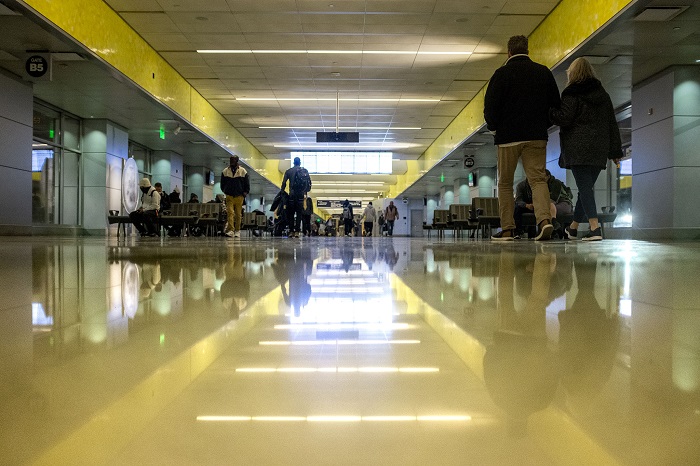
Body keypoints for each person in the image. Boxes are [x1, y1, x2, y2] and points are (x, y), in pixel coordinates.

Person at [484, 35, 561, 241]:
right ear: (527, 51)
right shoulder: (542, 72)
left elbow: (489, 107)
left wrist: (495, 129)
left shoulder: (500, 74)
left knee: (505, 183)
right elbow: (556, 104)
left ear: (508, 53)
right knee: (538, 180)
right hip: (535, 136)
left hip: (508, 138)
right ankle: (544, 221)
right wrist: (543, 125)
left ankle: (508, 229)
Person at [549, 57, 622, 241]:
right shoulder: (603, 95)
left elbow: (564, 118)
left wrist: (549, 112)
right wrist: (615, 151)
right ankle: (573, 228)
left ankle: (594, 228)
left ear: (572, 73)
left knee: (586, 189)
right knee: (585, 189)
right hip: (599, 149)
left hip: (578, 148)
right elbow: (612, 123)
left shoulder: (572, 93)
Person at [514, 170, 573, 238]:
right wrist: (526, 205)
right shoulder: (522, 185)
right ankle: (518, 232)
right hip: (532, 205)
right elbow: (518, 200)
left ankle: (551, 228)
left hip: (548, 205)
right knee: (517, 208)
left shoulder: (553, 183)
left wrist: (538, 204)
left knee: (549, 208)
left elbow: (553, 199)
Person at [281, 156, 311, 238]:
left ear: (293, 163)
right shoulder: (303, 171)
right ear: (300, 163)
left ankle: (291, 231)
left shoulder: (289, 171)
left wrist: (282, 192)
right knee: (299, 214)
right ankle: (297, 231)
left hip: (292, 195)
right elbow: (308, 184)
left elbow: (284, 183)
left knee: (291, 213)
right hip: (300, 195)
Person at [220, 155, 250, 238]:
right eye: (230, 159)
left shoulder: (243, 171)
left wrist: (245, 192)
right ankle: (231, 230)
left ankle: (237, 230)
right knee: (230, 213)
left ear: (237, 160)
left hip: (239, 196)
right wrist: (225, 191)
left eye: (233, 160)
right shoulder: (225, 171)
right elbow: (222, 184)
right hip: (229, 196)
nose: (231, 161)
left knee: (238, 214)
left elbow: (247, 183)